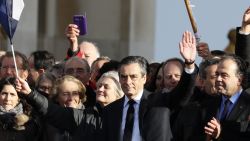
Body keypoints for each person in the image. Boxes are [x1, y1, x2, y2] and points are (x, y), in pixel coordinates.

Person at [101, 56, 173, 141]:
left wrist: (189, 67)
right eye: (123, 77)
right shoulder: (110, 110)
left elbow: (183, 94)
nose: (128, 82)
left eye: (133, 76)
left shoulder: (158, 103)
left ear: (144, 78)